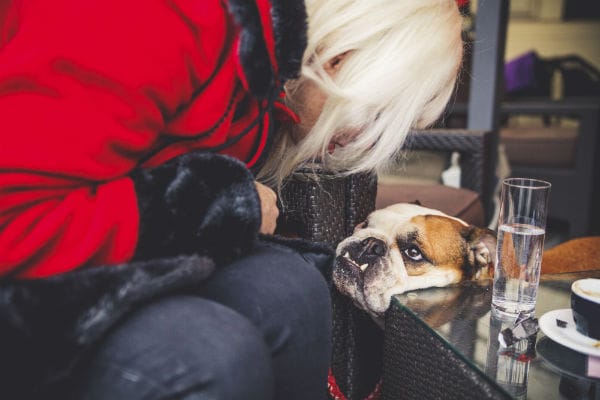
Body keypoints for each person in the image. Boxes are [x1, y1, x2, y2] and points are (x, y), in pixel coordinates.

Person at [0, 0, 463, 399]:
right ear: (342, 59)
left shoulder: (267, 85)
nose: (367, 139)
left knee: (291, 288)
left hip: (98, 255)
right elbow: (17, 220)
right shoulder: (156, 18)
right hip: (24, 273)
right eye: (380, 113)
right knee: (212, 351)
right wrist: (223, 206)